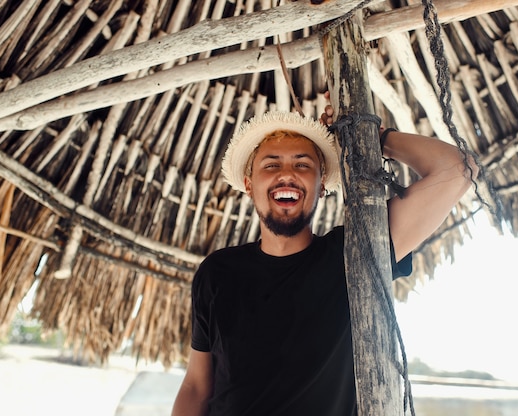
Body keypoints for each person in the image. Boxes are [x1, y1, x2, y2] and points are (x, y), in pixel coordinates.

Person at [172, 103, 478, 416]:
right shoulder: (217, 273)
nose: (287, 174)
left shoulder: (355, 254)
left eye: (303, 165)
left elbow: (457, 169)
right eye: (271, 165)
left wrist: (375, 135)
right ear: (250, 185)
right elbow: (196, 386)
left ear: (321, 186)